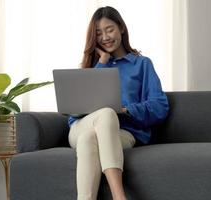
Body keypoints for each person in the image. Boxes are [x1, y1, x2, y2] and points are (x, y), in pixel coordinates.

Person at [68, 6, 169, 200]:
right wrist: (102, 62)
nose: (105, 37)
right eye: (98, 33)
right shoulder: (91, 67)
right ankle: (119, 196)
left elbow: (159, 106)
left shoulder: (142, 64)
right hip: (81, 125)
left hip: (123, 133)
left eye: (109, 29)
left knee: (89, 138)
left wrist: (126, 110)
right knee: (105, 114)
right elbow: (75, 113)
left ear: (121, 28)